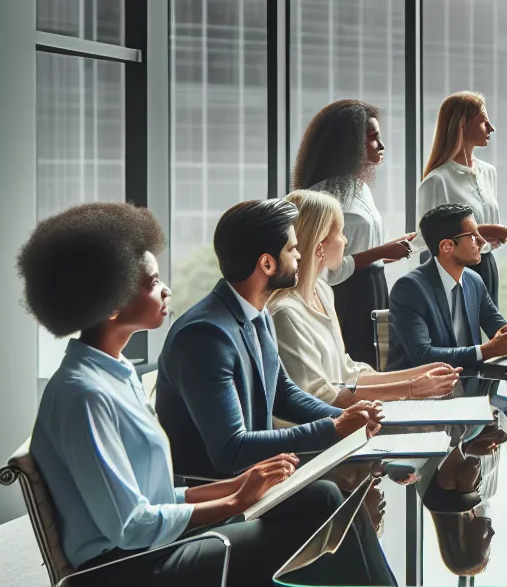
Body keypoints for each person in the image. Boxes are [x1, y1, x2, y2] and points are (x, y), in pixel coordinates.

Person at [18, 203, 456, 587]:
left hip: (157, 555)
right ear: (111, 298)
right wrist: (228, 499)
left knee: (328, 504)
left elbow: (153, 494)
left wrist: (238, 488)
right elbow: (128, 525)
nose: (167, 286)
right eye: (152, 279)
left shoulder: (113, 375)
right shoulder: (84, 395)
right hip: (125, 586)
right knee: (339, 541)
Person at [157, 198, 381, 479]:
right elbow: (231, 450)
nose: (300, 256)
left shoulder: (258, 315)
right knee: (332, 492)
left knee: (353, 480)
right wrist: (333, 428)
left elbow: (283, 394)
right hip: (219, 491)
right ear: (267, 263)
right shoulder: (204, 336)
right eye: (292, 249)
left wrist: (342, 417)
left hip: (258, 476)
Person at [268, 189, 461, 406]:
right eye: (340, 232)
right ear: (319, 244)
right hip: (322, 432)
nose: (345, 240)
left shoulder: (322, 291)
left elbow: (348, 375)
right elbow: (321, 397)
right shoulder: (285, 313)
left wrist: (416, 375)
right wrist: (410, 389)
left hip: (345, 421)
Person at [291, 100, 416, 365]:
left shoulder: (361, 188)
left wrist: (389, 251)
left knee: (378, 358)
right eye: (373, 138)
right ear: (349, 143)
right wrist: (381, 251)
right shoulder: (323, 196)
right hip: (348, 294)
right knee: (355, 359)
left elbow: (359, 247)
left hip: (375, 286)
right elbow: (328, 270)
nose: (381, 146)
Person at [387, 203, 507, 371]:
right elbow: (422, 356)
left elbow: (500, 328)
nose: (481, 241)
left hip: (468, 383)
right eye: (472, 236)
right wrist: (485, 351)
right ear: (447, 246)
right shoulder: (409, 289)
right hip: (416, 389)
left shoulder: (474, 280)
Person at [418, 91, 507, 304]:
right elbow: (426, 242)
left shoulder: (488, 172)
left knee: (490, 331)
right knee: (459, 334)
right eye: (484, 122)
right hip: (454, 271)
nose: (491, 128)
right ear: (462, 125)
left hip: (486, 264)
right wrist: (482, 232)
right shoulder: (436, 180)